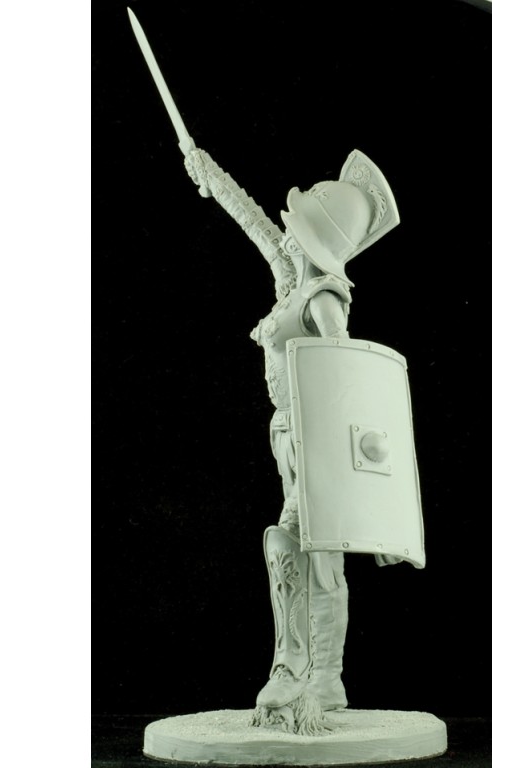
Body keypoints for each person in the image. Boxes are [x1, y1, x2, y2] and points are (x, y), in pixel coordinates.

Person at [184, 147, 402, 735]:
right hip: (286, 437)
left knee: (296, 545)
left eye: (298, 227)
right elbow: (256, 223)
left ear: (315, 241)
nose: (286, 232)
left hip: (314, 438)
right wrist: (208, 172)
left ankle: (295, 668)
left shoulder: (323, 302)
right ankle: (326, 680)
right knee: (320, 556)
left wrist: (364, 490)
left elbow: (349, 381)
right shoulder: (291, 281)